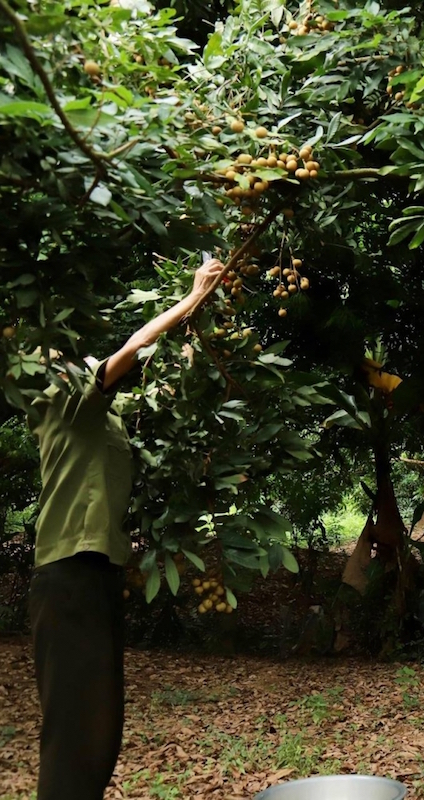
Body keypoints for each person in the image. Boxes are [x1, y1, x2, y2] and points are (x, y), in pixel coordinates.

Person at [27, 258, 224, 800]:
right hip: (65, 578)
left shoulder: (104, 418)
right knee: (73, 736)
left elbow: (152, 380)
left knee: (101, 732)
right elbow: (131, 351)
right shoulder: (61, 403)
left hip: (97, 575)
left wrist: (195, 327)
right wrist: (189, 297)